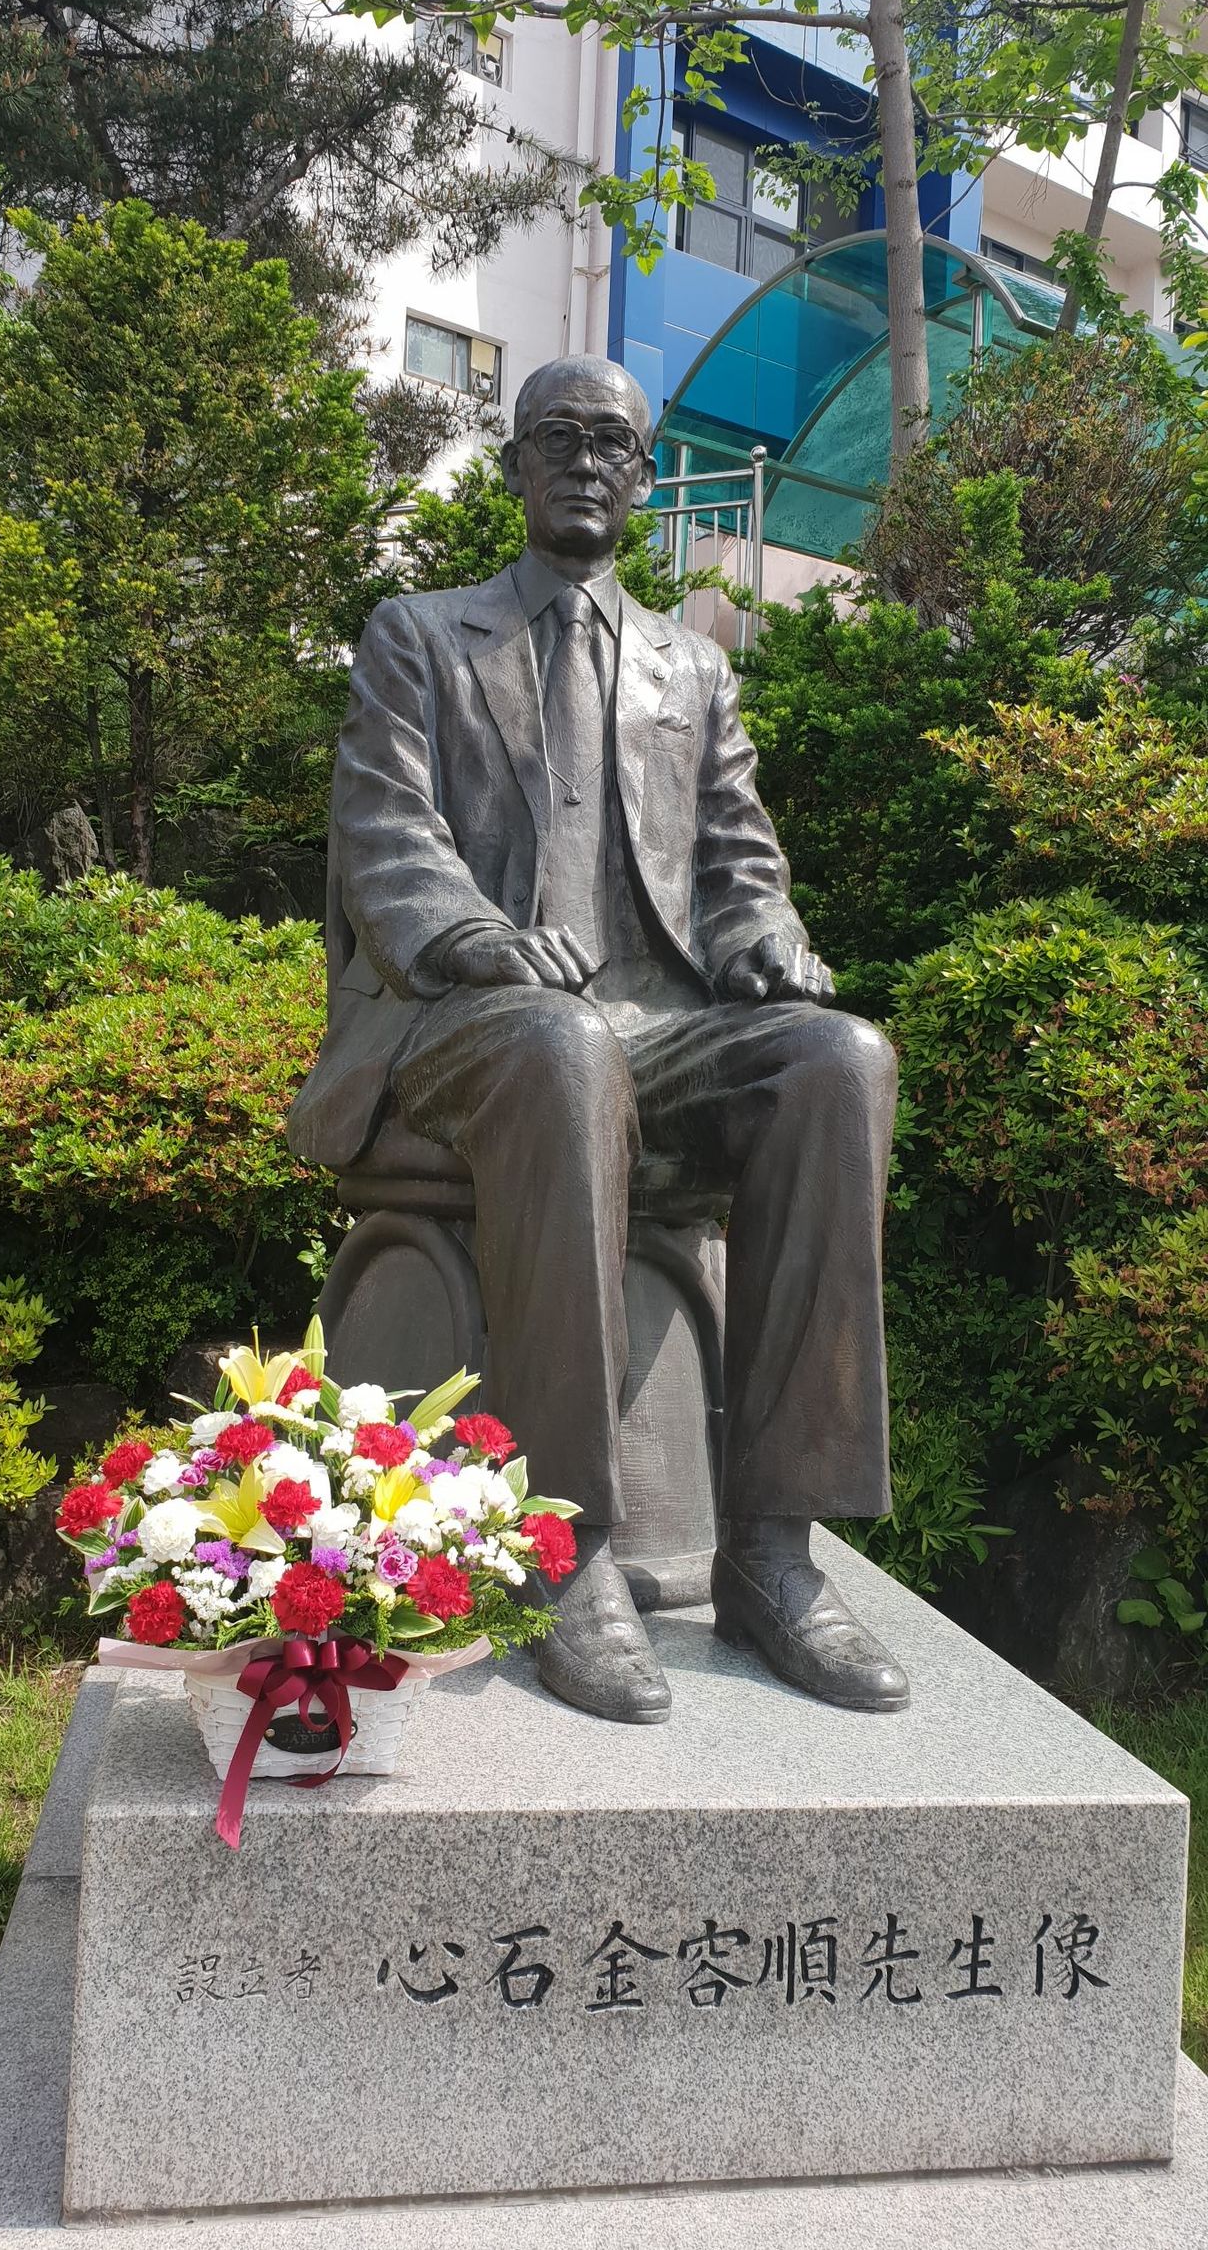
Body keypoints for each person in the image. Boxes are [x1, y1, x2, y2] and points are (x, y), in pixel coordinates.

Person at [289, 353, 908, 1725]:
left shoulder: (695, 667)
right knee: (563, 1047)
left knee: (838, 1060)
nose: (585, 459)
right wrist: (474, 935)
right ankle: (564, 1548)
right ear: (515, 463)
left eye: (613, 442)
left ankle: (773, 1551)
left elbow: (739, 863)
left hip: (654, 1029)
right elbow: (384, 832)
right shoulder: (419, 634)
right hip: (459, 1024)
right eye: (557, 435)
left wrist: (766, 940)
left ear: (643, 476)